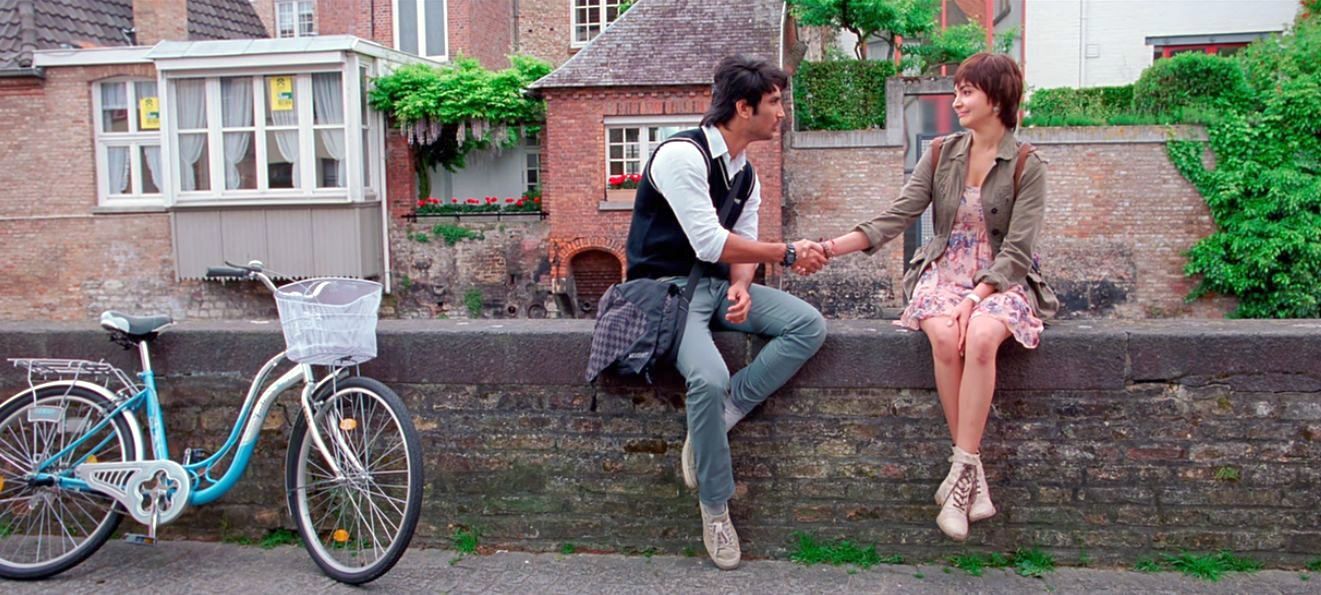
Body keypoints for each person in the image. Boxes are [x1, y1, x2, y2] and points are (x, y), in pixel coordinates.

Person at [820, 52, 1057, 541]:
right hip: (944, 273)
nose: (957, 102)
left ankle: (960, 475)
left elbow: (1018, 250)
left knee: (984, 336)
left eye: (967, 92)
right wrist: (829, 248)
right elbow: (896, 215)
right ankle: (971, 476)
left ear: (997, 99)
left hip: (1001, 279)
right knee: (946, 337)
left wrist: (976, 298)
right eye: (957, 92)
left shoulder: (1027, 165)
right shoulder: (941, 153)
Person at [624, 54, 829, 569]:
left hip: (716, 287)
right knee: (709, 377)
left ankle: (723, 414)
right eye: (774, 103)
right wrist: (788, 253)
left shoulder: (745, 173)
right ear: (743, 107)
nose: (782, 113)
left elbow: (742, 243)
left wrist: (741, 285)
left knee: (807, 325)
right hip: (667, 293)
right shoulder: (681, 155)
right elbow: (710, 241)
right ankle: (715, 508)